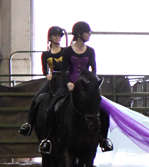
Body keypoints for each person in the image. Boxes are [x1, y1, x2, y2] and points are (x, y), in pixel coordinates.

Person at [39, 21, 113, 155]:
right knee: (52, 106)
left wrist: (92, 85)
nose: (89, 35)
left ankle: (104, 139)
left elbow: (93, 70)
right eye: (87, 33)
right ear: (79, 34)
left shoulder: (90, 51)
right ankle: (47, 139)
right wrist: (68, 83)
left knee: (104, 110)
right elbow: (63, 70)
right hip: (71, 85)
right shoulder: (67, 51)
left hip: (86, 87)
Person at [19, 26, 66, 136]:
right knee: (37, 98)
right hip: (54, 79)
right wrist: (47, 75)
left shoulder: (65, 51)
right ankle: (29, 124)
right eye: (55, 35)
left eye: (59, 36)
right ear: (50, 37)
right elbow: (44, 70)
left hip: (65, 79)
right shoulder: (46, 54)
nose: (57, 38)